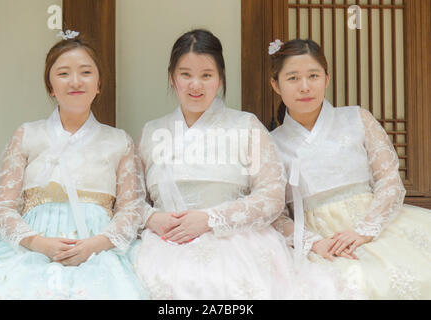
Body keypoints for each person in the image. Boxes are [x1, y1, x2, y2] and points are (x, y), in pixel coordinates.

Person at [130, 29, 359, 300]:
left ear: (220, 79)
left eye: (206, 75)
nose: (196, 85)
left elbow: (272, 197)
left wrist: (209, 220)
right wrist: (154, 219)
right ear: (172, 77)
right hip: (162, 246)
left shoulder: (246, 125)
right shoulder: (151, 131)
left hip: (236, 247)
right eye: (185, 74)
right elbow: (130, 202)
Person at [0, 35, 148, 299]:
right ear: (50, 86)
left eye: (85, 72)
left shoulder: (119, 141)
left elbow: (131, 210)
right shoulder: (27, 135)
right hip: (31, 252)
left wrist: (94, 245)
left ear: (99, 84)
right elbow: (2, 208)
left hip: (100, 252)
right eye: (63, 73)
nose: (75, 81)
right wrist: (38, 243)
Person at [269, 38, 431, 299]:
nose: (305, 86)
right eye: (293, 78)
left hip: (377, 225)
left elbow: (389, 180)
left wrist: (365, 230)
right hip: (321, 242)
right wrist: (313, 243)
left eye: (313, 75)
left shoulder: (357, 118)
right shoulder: (272, 144)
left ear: (327, 78)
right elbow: (275, 214)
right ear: (275, 84)